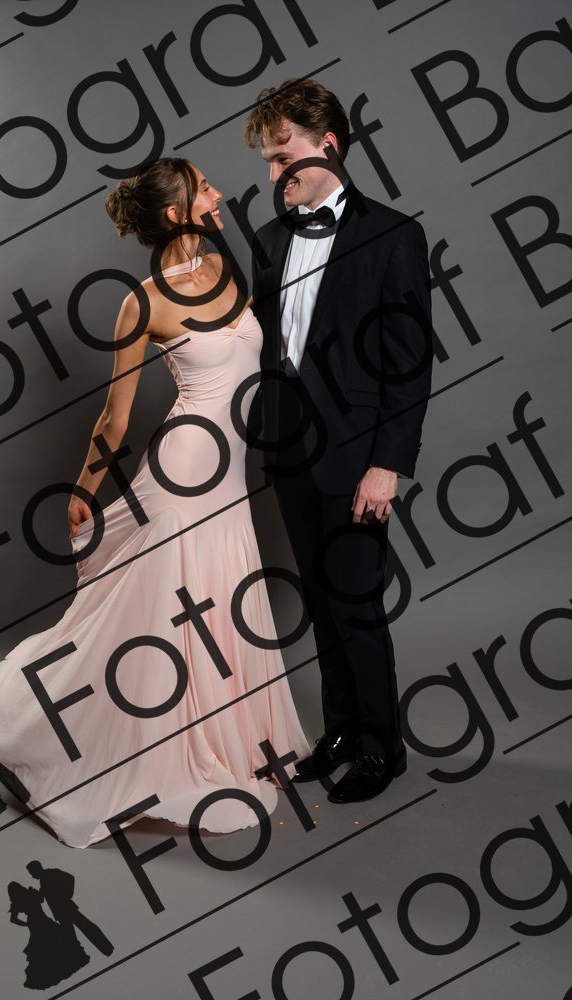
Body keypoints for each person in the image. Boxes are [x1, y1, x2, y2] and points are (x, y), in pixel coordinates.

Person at [0, 157, 309, 847]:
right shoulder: (143, 302)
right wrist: (83, 488)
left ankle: (229, 732)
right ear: (177, 212)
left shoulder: (227, 268)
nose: (219, 194)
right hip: (184, 474)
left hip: (230, 477)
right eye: (205, 188)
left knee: (222, 600)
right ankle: (137, 747)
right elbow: (115, 417)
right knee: (176, 609)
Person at [245, 78, 432, 802]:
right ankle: (344, 731)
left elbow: (409, 364)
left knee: (356, 604)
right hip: (290, 453)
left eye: (281, 155)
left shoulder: (393, 235)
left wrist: (387, 466)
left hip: (358, 459)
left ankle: (384, 748)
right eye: (266, 161)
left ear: (326, 145)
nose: (272, 173)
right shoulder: (268, 240)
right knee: (321, 604)